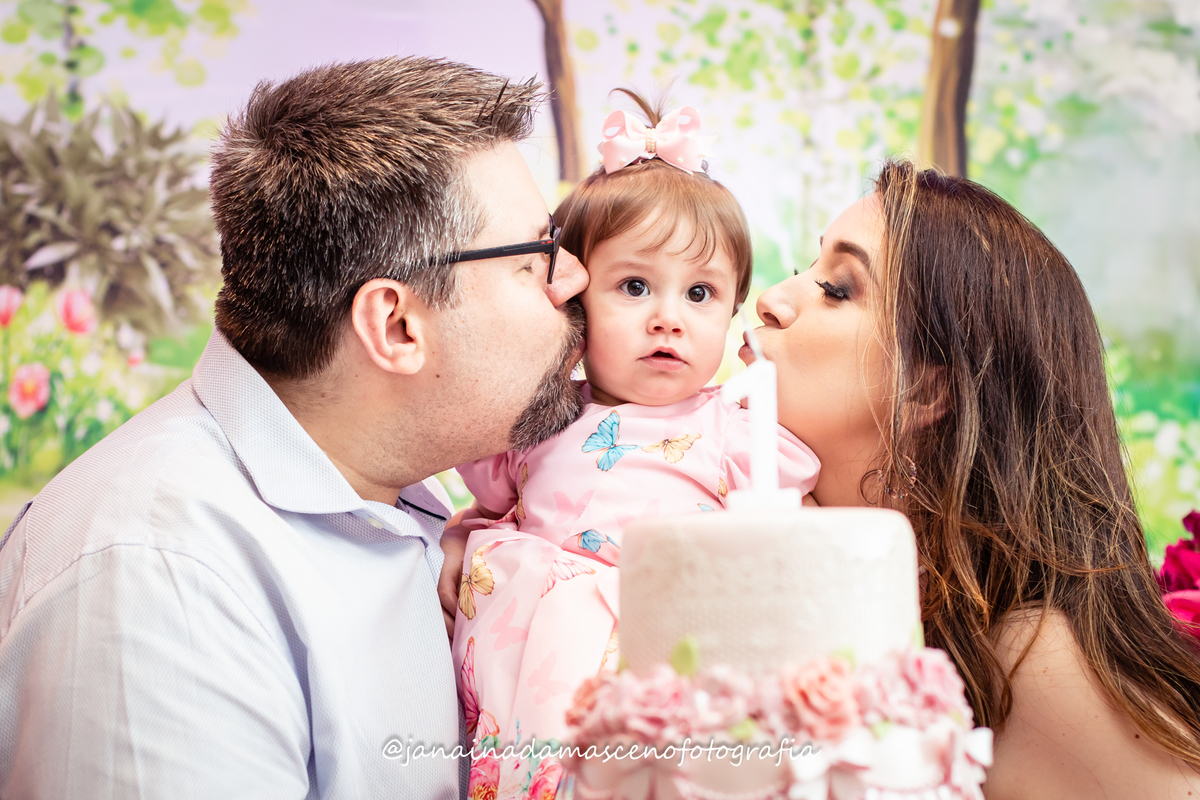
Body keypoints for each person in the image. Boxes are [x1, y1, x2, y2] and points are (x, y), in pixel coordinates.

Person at [0, 57, 590, 799]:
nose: (573, 277)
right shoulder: (160, 580)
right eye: (536, 255)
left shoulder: (396, 490)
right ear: (397, 325)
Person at [749, 159, 1200, 798]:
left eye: (837, 288)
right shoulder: (790, 559)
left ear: (927, 387)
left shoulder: (1029, 657)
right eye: (808, 269)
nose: (772, 298)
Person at [442, 94, 819, 798]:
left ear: (734, 307)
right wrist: (463, 538)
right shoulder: (537, 421)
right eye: (636, 286)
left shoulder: (734, 434)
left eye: (701, 294)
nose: (668, 319)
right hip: (533, 674)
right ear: (576, 305)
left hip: (660, 673)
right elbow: (491, 509)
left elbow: (776, 550)